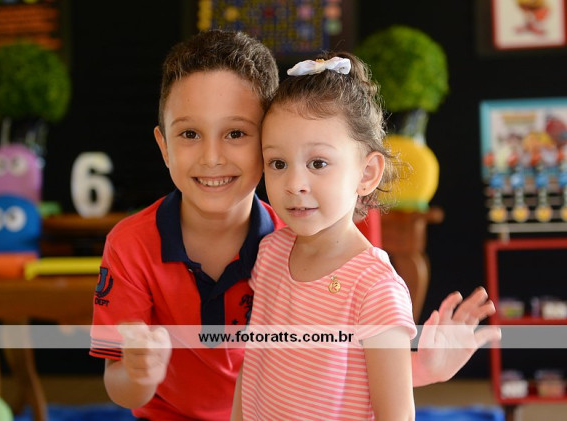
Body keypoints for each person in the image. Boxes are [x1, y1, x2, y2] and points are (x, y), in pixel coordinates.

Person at [90, 30, 501, 420]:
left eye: (236, 133)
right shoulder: (268, 252)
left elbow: (334, 369)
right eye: (190, 134)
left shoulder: (291, 243)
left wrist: (419, 368)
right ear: (163, 146)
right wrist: (141, 373)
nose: (212, 157)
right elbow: (281, 366)